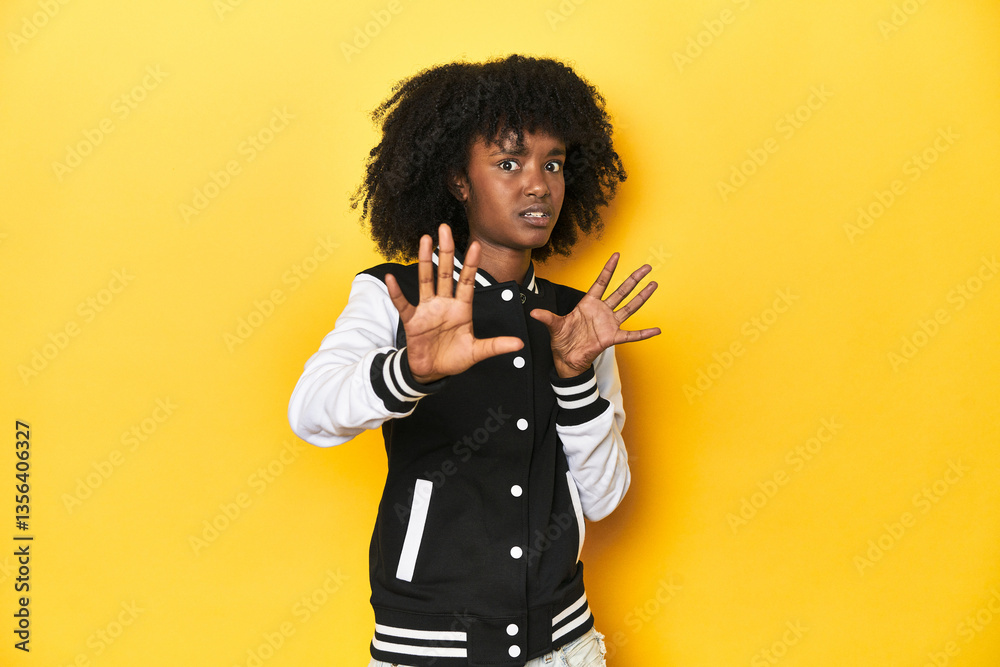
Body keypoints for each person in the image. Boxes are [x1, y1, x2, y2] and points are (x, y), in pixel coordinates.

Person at [288, 54, 660, 667]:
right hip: (432, 648)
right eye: (508, 163)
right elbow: (310, 413)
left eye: (554, 163)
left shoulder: (578, 321)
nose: (538, 183)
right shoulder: (395, 293)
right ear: (459, 181)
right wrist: (411, 371)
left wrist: (574, 380)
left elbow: (605, 498)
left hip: (564, 646)